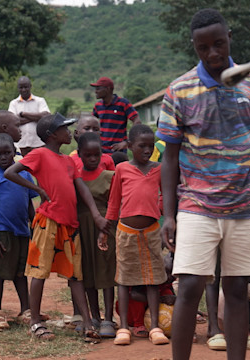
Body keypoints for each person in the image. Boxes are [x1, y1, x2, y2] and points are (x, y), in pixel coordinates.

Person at [157, 9, 250, 360]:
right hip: (197, 205)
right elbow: (169, 158)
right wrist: (169, 214)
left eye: (218, 44)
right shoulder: (179, 90)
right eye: (203, 48)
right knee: (188, 287)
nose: (212, 53)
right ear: (194, 47)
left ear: (229, 37)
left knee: (236, 291)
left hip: (247, 207)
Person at [4, 113, 107, 342]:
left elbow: (82, 190)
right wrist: (38, 190)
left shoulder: (69, 161)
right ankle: (35, 322)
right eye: (65, 128)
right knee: (39, 272)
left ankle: (88, 323)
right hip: (47, 221)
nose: (69, 132)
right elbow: (9, 172)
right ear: (52, 135)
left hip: (70, 225)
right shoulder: (39, 154)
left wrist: (97, 216)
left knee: (75, 275)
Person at [99, 124, 169, 346]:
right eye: (142, 146)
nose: (147, 150)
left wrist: (161, 212)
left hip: (151, 232)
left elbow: (166, 196)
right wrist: (105, 230)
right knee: (124, 278)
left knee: (153, 278)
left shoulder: (159, 168)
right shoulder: (122, 169)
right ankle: (123, 327)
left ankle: (155, 326)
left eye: (150, 146)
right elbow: (114, 201)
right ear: (129, 146)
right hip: (126, 232)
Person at [0, 133, 36, 330]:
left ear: (14, 153)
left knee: (21, 272)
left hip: (22, 232)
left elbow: (29, 203)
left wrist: (34, 226)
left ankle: (26, 310)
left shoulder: (25, 175)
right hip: (2, 231)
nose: (3, 157)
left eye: (7, 153)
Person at [75, 132, 117, 338]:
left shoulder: (110, 177)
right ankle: (94, 317)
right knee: (88, 272)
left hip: (105, 230)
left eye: (96, 155)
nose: (92, 159)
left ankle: (109, 318)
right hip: (82, 231)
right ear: (79, 154)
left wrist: (105, 229)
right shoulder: (75, 178)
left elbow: (115, 204)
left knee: (106, 271)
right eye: (87, 155)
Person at [90, 76, 141, 153]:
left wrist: (127, 142)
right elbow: (91, 122)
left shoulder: (123, 103)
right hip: (102, 151)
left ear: (108, 89)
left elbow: (137, 121)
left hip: (118, 150)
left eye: (98, 88)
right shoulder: (98, 106)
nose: (96, 91)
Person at [8, 76, 50, 156]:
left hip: (38, 143)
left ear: (30, 86)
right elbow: (12, 121)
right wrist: (36, 117)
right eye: (21, 87)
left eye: (26, 87)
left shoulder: (40, 101)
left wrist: (23, 114)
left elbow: (46, 117)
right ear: (18, 88)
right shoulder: (13, 103)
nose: (23, 90)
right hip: (20, 145)